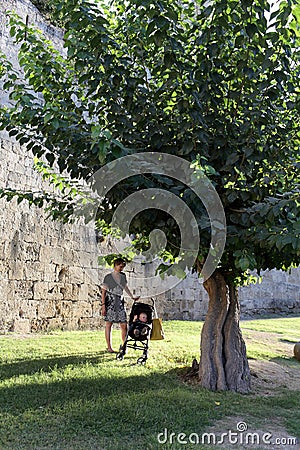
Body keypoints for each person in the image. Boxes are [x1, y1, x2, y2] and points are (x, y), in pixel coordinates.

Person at [101, 258, 139, 353]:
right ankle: (109, 347)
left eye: (123, 266)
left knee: (123, 324)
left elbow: (125, 287)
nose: (121, 268)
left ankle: (124, 345)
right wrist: (103, 305)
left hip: (120, 302)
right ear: (115, 265)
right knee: (109, 324)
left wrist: (132, 296)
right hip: (110, 302)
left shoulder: (123, 276)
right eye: (120, 266)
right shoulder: (108, 277)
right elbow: (103, 292)